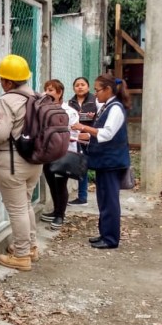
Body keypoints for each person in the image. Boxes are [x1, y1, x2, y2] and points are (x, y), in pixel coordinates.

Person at [0, 54, 42, 271]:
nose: (0, 83)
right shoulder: (37, 96)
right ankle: (30, 247)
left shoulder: (6, 101)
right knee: (25, 205)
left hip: (12, 161)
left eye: (1, 79)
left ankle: (22, 255)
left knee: (16, 210)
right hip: (35, 160)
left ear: (8, 81)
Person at [72, 74, 131, 249]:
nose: (95, 94)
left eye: (97, 90)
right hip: (104, 162)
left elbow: (106, 134)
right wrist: (83, 137)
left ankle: (111, 238)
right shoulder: (106, 106)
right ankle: (104, 233)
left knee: (110, 201)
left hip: (111, 163)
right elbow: (99, 134)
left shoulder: (115, 108)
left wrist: (84, 127)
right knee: (103, 200)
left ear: (108, 90)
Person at [39, 79, 79, 230]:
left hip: (64, 152)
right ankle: (56, 210)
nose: (48, 93)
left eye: (51, 90)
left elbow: (75, 133)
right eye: (46, 90)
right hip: (47, 152)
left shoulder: (69, 112)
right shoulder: (43, 110)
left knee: (61, 184)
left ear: (59, 92)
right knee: (51, 183)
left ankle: (60, 215)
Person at [67, 76, 98, 206]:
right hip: (76, 139)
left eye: (82, 84)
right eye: (77, 85)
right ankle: (82, 197)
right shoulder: (70, 103)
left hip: (92, 138)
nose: (80, 87)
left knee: (96, 165)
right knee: (81, 166)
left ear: (88, 87)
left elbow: (100, 121)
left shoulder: (95, 101)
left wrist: (90, 134)